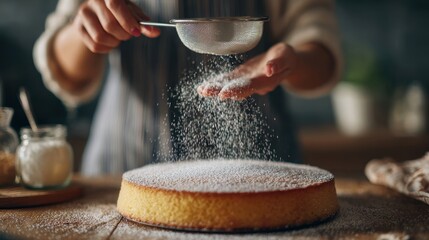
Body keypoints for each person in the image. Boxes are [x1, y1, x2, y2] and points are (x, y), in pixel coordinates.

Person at [34, 0, 341, 175]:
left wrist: (293, 61)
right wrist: (85, 31)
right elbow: (64, 68)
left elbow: (320, 49)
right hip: (123, 171)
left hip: (256, 177)